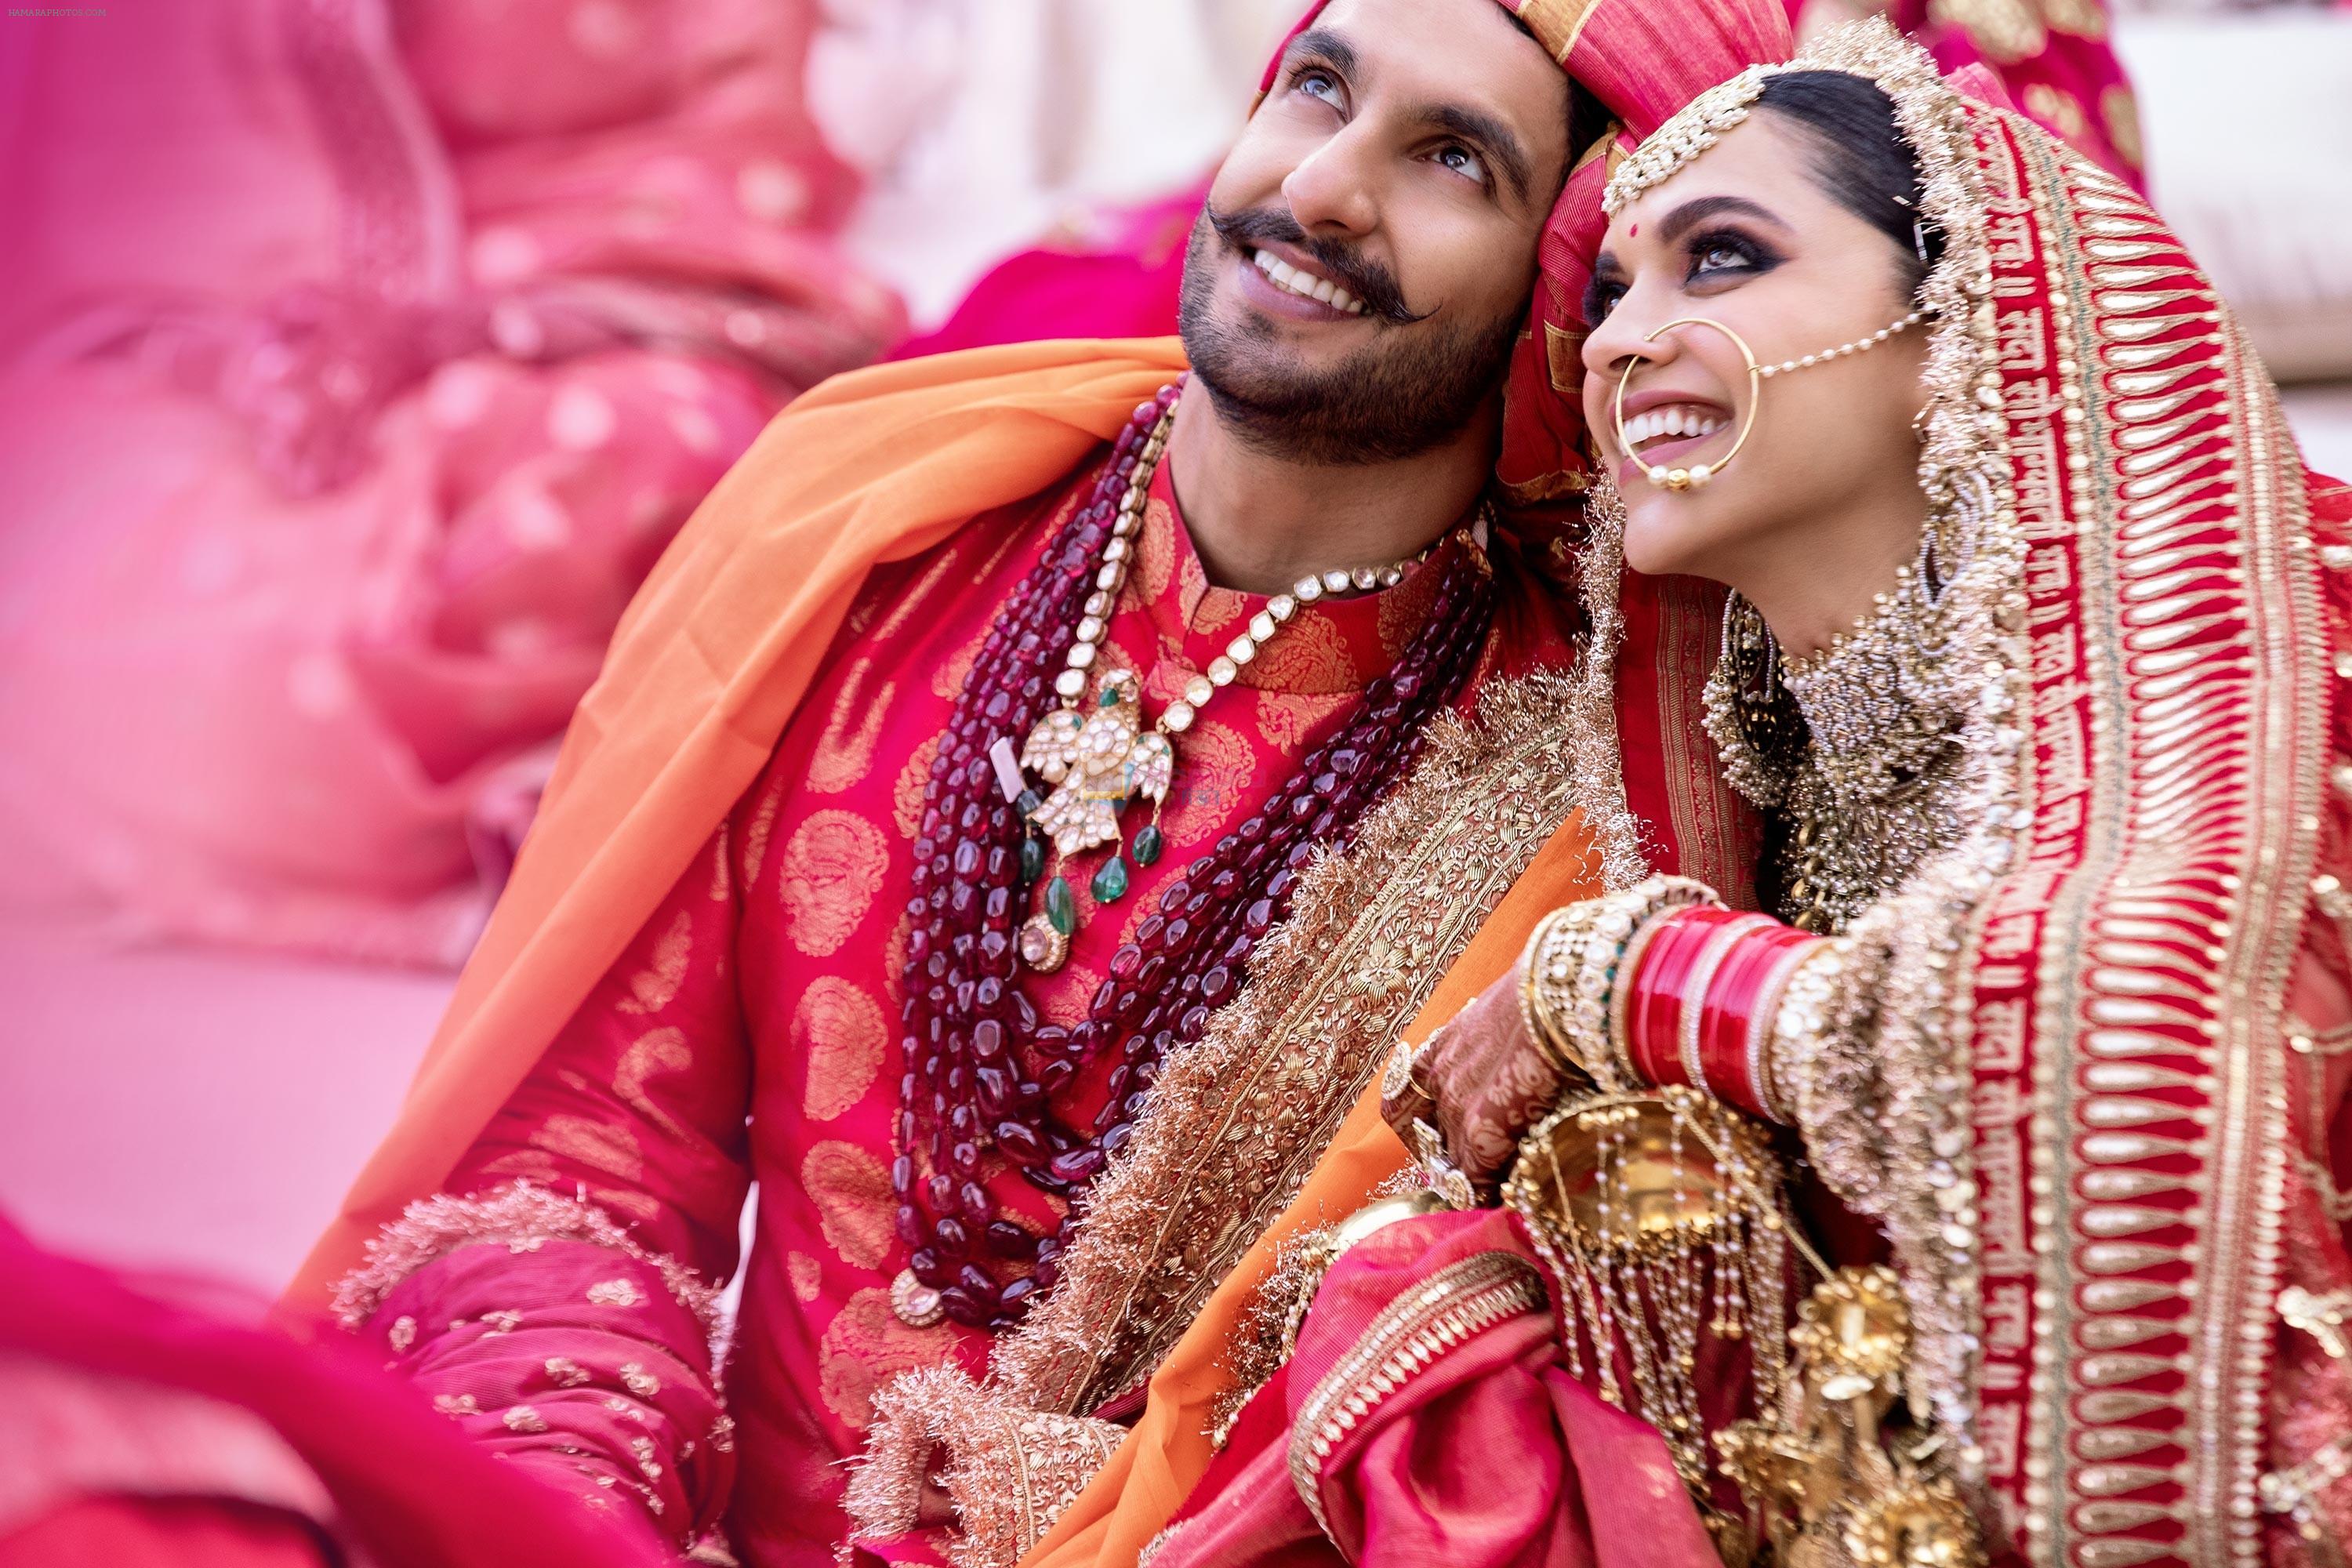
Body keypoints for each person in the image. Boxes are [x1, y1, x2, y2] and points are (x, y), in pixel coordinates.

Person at [288, 0, 1802, 1563]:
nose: (1326, 187)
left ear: (1564, 295)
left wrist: (1132, 1508)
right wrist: (577, 1505)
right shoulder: (873, 541)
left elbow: (1524, 1408)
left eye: (1450, 161)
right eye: (1319, 90)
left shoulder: (1591, 795)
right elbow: (576, 1164)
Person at [1129, 20, 2352, 1568]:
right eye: (1615, 291)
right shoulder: (1767, 782)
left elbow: (2127, 1065)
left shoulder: (2270, 633)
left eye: (1722, 259)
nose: (1628, 340)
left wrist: (1619, 973)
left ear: (1960, 322)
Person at [0, 0, 902, 967]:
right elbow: (122, 227)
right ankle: (526, 831)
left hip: (588, 349)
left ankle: (570, 823)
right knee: (54, 539)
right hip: (238, 377)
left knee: (660, 474)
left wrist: (484, 331)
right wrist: (255, 361)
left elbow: (710, 197)